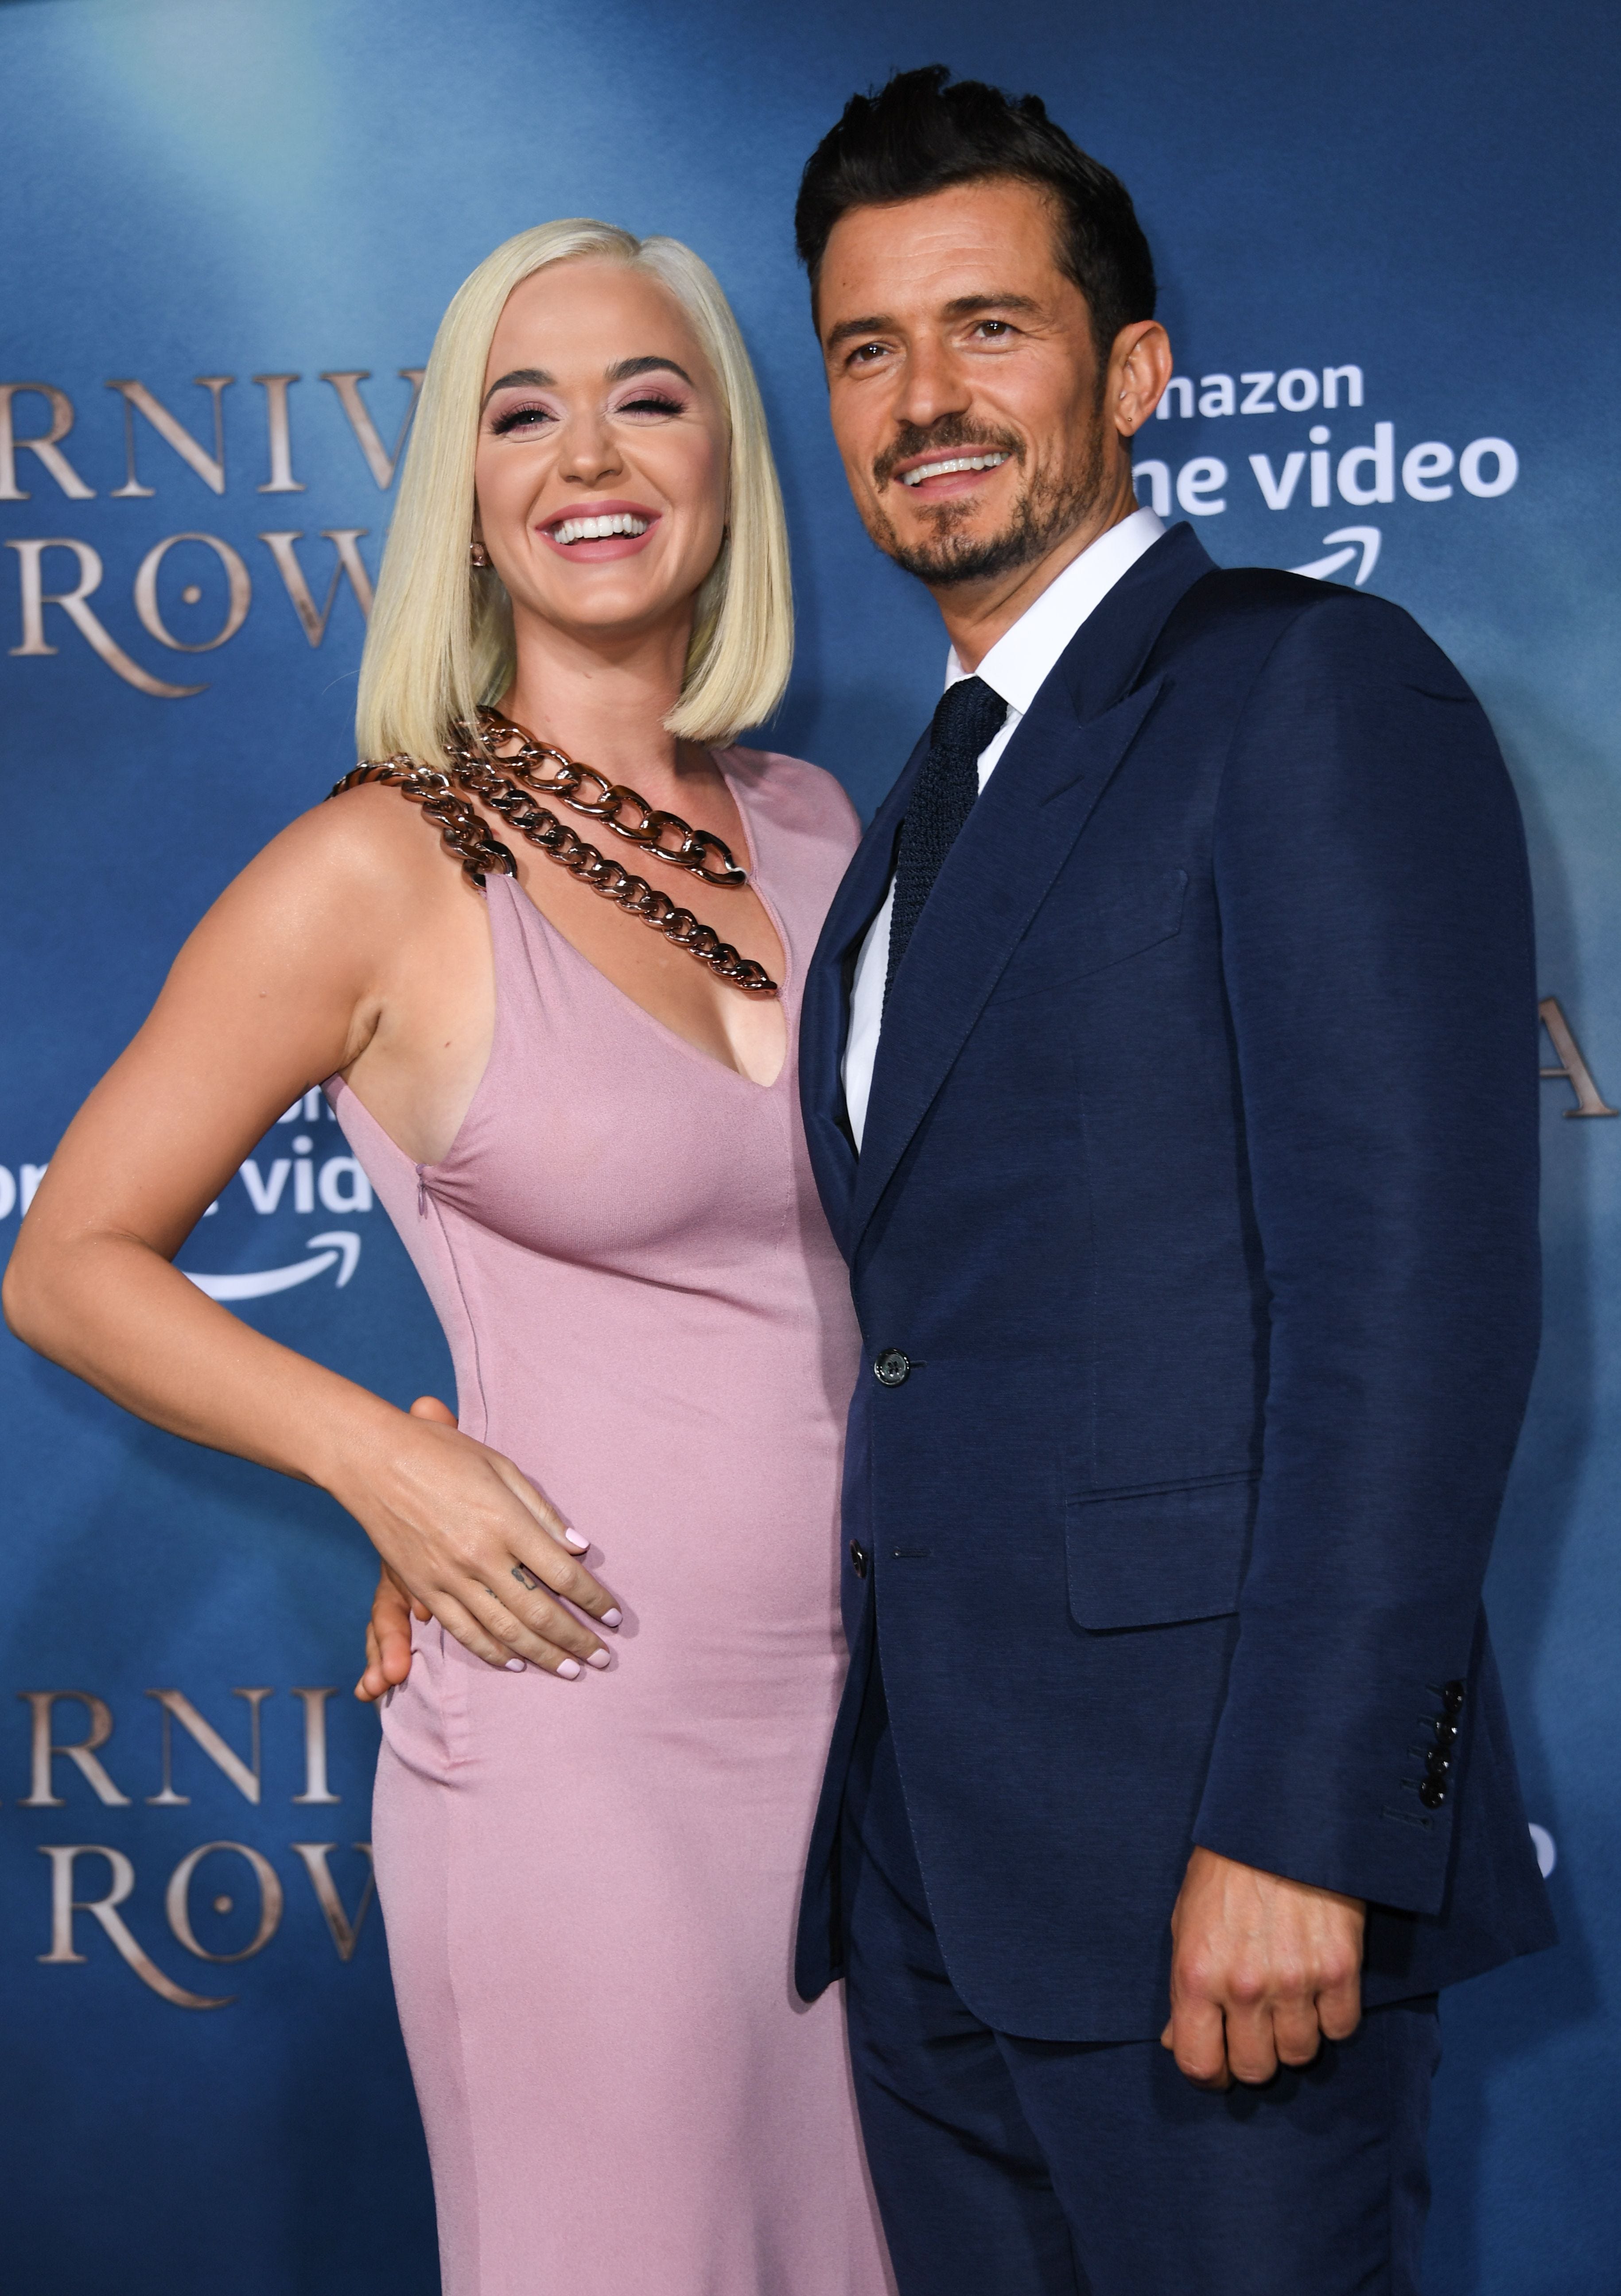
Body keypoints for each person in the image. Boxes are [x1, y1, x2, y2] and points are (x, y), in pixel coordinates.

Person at [4, 221, 893, 2296]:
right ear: (468, 500)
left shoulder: (830, 826)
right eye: (525, 409)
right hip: (587, 1743)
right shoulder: (370, 870)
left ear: (727, 469)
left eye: (649, 397)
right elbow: (69, 1259)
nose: (592, 452)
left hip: (888, 1748)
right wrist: (381, 1460)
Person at [776, 66, 1548, 2296]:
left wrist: (1317, 1824)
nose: (925, 399)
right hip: (931, 1870)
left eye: (988, 330)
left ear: (1132, 373)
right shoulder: (916, 804)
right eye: (864, 348)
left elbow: (1418, 1301)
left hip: (1223, 1873)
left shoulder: (1309, 689)